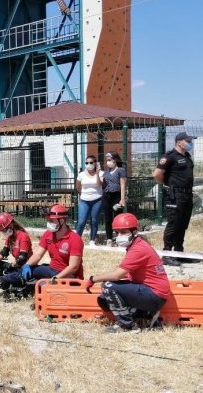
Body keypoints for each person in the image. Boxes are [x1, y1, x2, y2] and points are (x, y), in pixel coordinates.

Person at [84, 213, 170, 333]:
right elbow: (126, 273)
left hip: (154, 295)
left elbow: (117, 275)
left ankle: (127, 326)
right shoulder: (136, 245)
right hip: (153, 293)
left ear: (134, 232)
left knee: (108, 286)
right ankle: (144, 315)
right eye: (117, 232)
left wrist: (93, 279)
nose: (119, 236)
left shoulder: (138, 249)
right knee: (104, 300)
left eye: (123, 232)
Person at [153, 131, 196, 264]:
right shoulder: (169, 157)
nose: (190, 143)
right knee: (173, 224)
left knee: (182, 224)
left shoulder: (187, 156)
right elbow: (157, 174)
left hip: (187, 195)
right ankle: (167, 254)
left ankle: (179, 252)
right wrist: (169, 185)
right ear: (179, 142)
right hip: (175, 195)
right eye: (187, 141)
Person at [21, 204, 84, 286]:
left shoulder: (75, 239)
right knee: (24, 270)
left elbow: (73, 267)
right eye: (48, 220)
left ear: (61, 221)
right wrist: (27, 265)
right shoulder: (48, 234)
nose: (48, 224)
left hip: (71, 277)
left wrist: (55, 279)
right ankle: (8, 281)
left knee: (49, 289)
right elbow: (37, 255)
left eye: (51, 221)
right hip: (52, 270)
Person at [0, 212, 33, 298]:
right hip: (16, 266)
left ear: (11, 225)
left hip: (24, 269)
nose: (4, 232)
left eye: (4, 230)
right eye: (3, 231)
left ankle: (23, 289)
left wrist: (10, 266)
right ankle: (13, 286)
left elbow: (22, 259)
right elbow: (4, 252)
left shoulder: (23, 236)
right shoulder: (10, 237)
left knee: (1, 282)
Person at [75, 154, 104, 246]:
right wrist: (82, 194)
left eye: (91, 162)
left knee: (94, 221)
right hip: (84, 200)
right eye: (87, 163)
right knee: (81, 222)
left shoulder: (101, 173)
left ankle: (92, 240)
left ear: (95, 163)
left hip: (97, 200)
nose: (89, 164)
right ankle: (76, 240)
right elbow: (78, 187)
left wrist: (98, 173)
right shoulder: (81, 174)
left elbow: (100, 184)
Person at [102, 152, 127, 244]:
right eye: (107, 160)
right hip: (106, 196)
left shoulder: (120, 170)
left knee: (117, 217)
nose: (108, 162)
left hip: (116, 196)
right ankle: (109, 238)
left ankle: (118, 237)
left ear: (115, 160)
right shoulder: (106, 172)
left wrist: (122, 199)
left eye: (109, 160)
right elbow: (103, 184)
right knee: (108, 218)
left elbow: (123, 185)